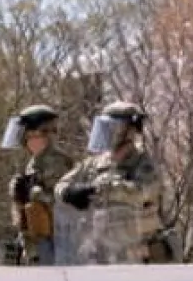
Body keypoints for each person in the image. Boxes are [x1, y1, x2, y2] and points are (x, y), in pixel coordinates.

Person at [54, 101, 171, 264]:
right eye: (104, 126)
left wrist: (103, 188)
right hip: (101, 252)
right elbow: (61, 185)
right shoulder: (94, 164)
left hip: (138, 253)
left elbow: (142, 192)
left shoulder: (143, 163)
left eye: (113, 127)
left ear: (129, 131)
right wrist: (69, 193)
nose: (106, 132)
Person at [1, 105, 75, 266]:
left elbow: (62, 203)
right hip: (35, 240)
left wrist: (35, 193)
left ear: (39, 133)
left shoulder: (57, 161)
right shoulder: (35, 162)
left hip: (53, 241)